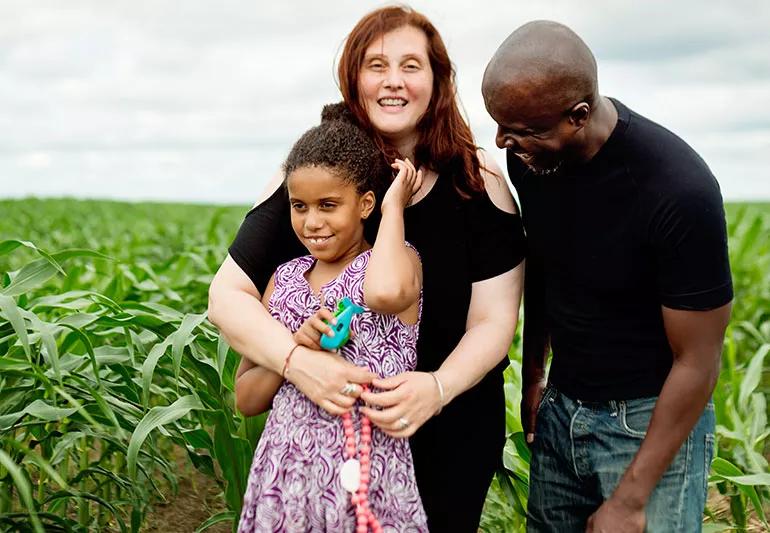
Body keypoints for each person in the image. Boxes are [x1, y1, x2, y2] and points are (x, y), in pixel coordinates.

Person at [208, 6, 526, 532]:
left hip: (450, 427)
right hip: (328, 439)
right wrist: (296, 361)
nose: (393, 82)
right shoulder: (316, 179)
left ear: (438, 79)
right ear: (353, 78)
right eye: (376, 66)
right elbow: (227, 296)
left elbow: (493, 321)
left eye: (411, 66)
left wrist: (438, 388)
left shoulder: (478, 177)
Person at [481, 21, 733, 533]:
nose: (504, 141)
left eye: (521, 129)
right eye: (500, 124)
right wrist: (534, 378)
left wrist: (630, 499)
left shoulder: (677, 190)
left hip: (648, 424)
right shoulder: (532, 159)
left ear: (578, 115)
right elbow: (546, 267)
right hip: (562, 409)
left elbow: (699, 361)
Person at [236, 104, 427, 532]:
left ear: (365, 204)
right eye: (299, 206)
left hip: (369, 476)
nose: (312, 222)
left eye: (328, 205)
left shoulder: (396, 264)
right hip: (284, 478)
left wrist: (395, 208)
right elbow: (246, 399)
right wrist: (295, 347)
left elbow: (385, 294)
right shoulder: (283, 280)